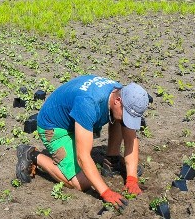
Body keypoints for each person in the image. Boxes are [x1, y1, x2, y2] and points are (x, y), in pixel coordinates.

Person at [16, 75, 149, 207]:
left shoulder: (119, 92)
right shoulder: (88, 103)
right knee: (81, 183)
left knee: (121, 120)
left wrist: (132, 179)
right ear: (118, 100)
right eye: (128, 114)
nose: (129, 120)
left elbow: (131, 138)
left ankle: (111, 160)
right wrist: (106, 192)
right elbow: (83, 156)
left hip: (76, 117)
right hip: (54, 127)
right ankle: (32, 155)